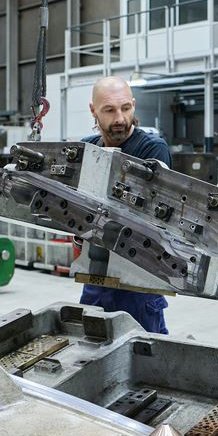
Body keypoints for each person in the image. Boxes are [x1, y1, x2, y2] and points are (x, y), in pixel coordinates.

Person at [79, 76, 172, 334]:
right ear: (93, 111)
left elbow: (152, 218)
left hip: (139, 280)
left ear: (133, 105)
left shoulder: (152, 149)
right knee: (89, 345)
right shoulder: (87, 148)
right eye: (109, 110)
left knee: (145, 356)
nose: (119, 118)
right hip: (96, 275)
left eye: (126, 108)